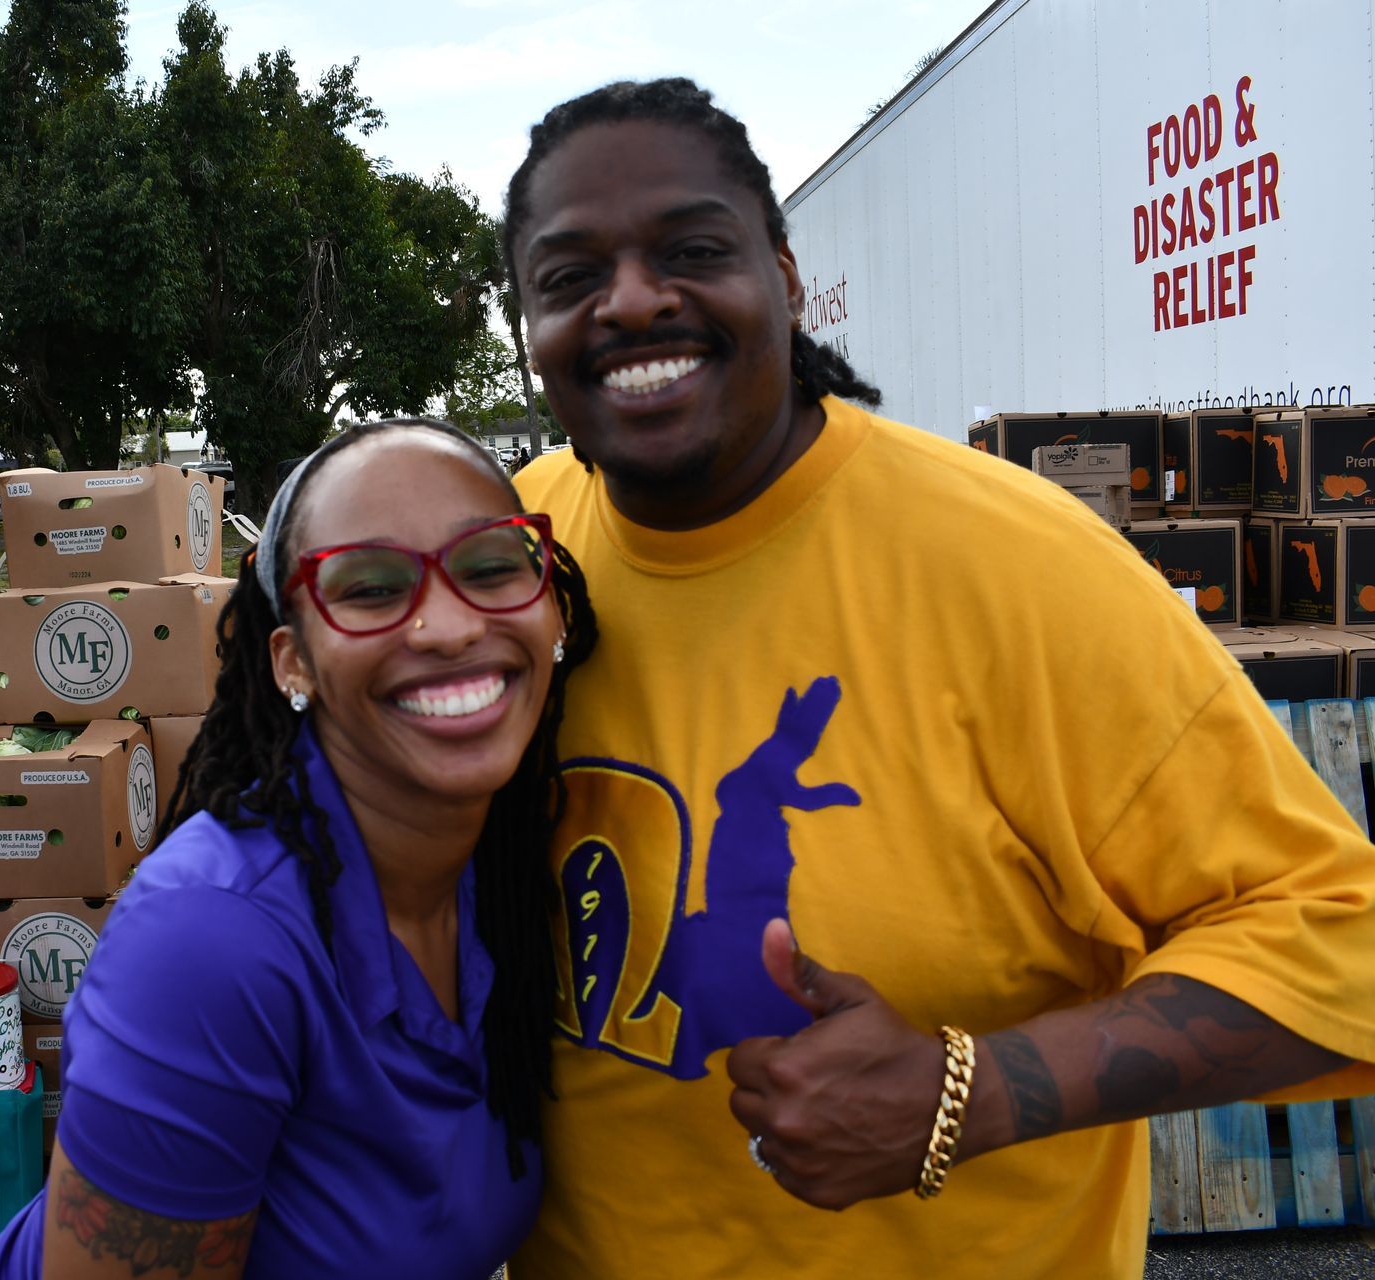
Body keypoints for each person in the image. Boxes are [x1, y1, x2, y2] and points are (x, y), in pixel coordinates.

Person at [499, 78, 1375, 1278]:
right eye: (569, 276)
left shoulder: (1020, 569)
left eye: (693, 250)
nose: (634, 298)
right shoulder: (507, 558)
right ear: (529, 326)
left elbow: (1341, 933)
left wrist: (973, 1089)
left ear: (785, 278)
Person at [0, 417, 596, 1279]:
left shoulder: (507, 872)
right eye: (370, 588)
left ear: (552, 607)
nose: (449, 626)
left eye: (491, 567)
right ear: (292, 662)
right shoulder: (210, 942)